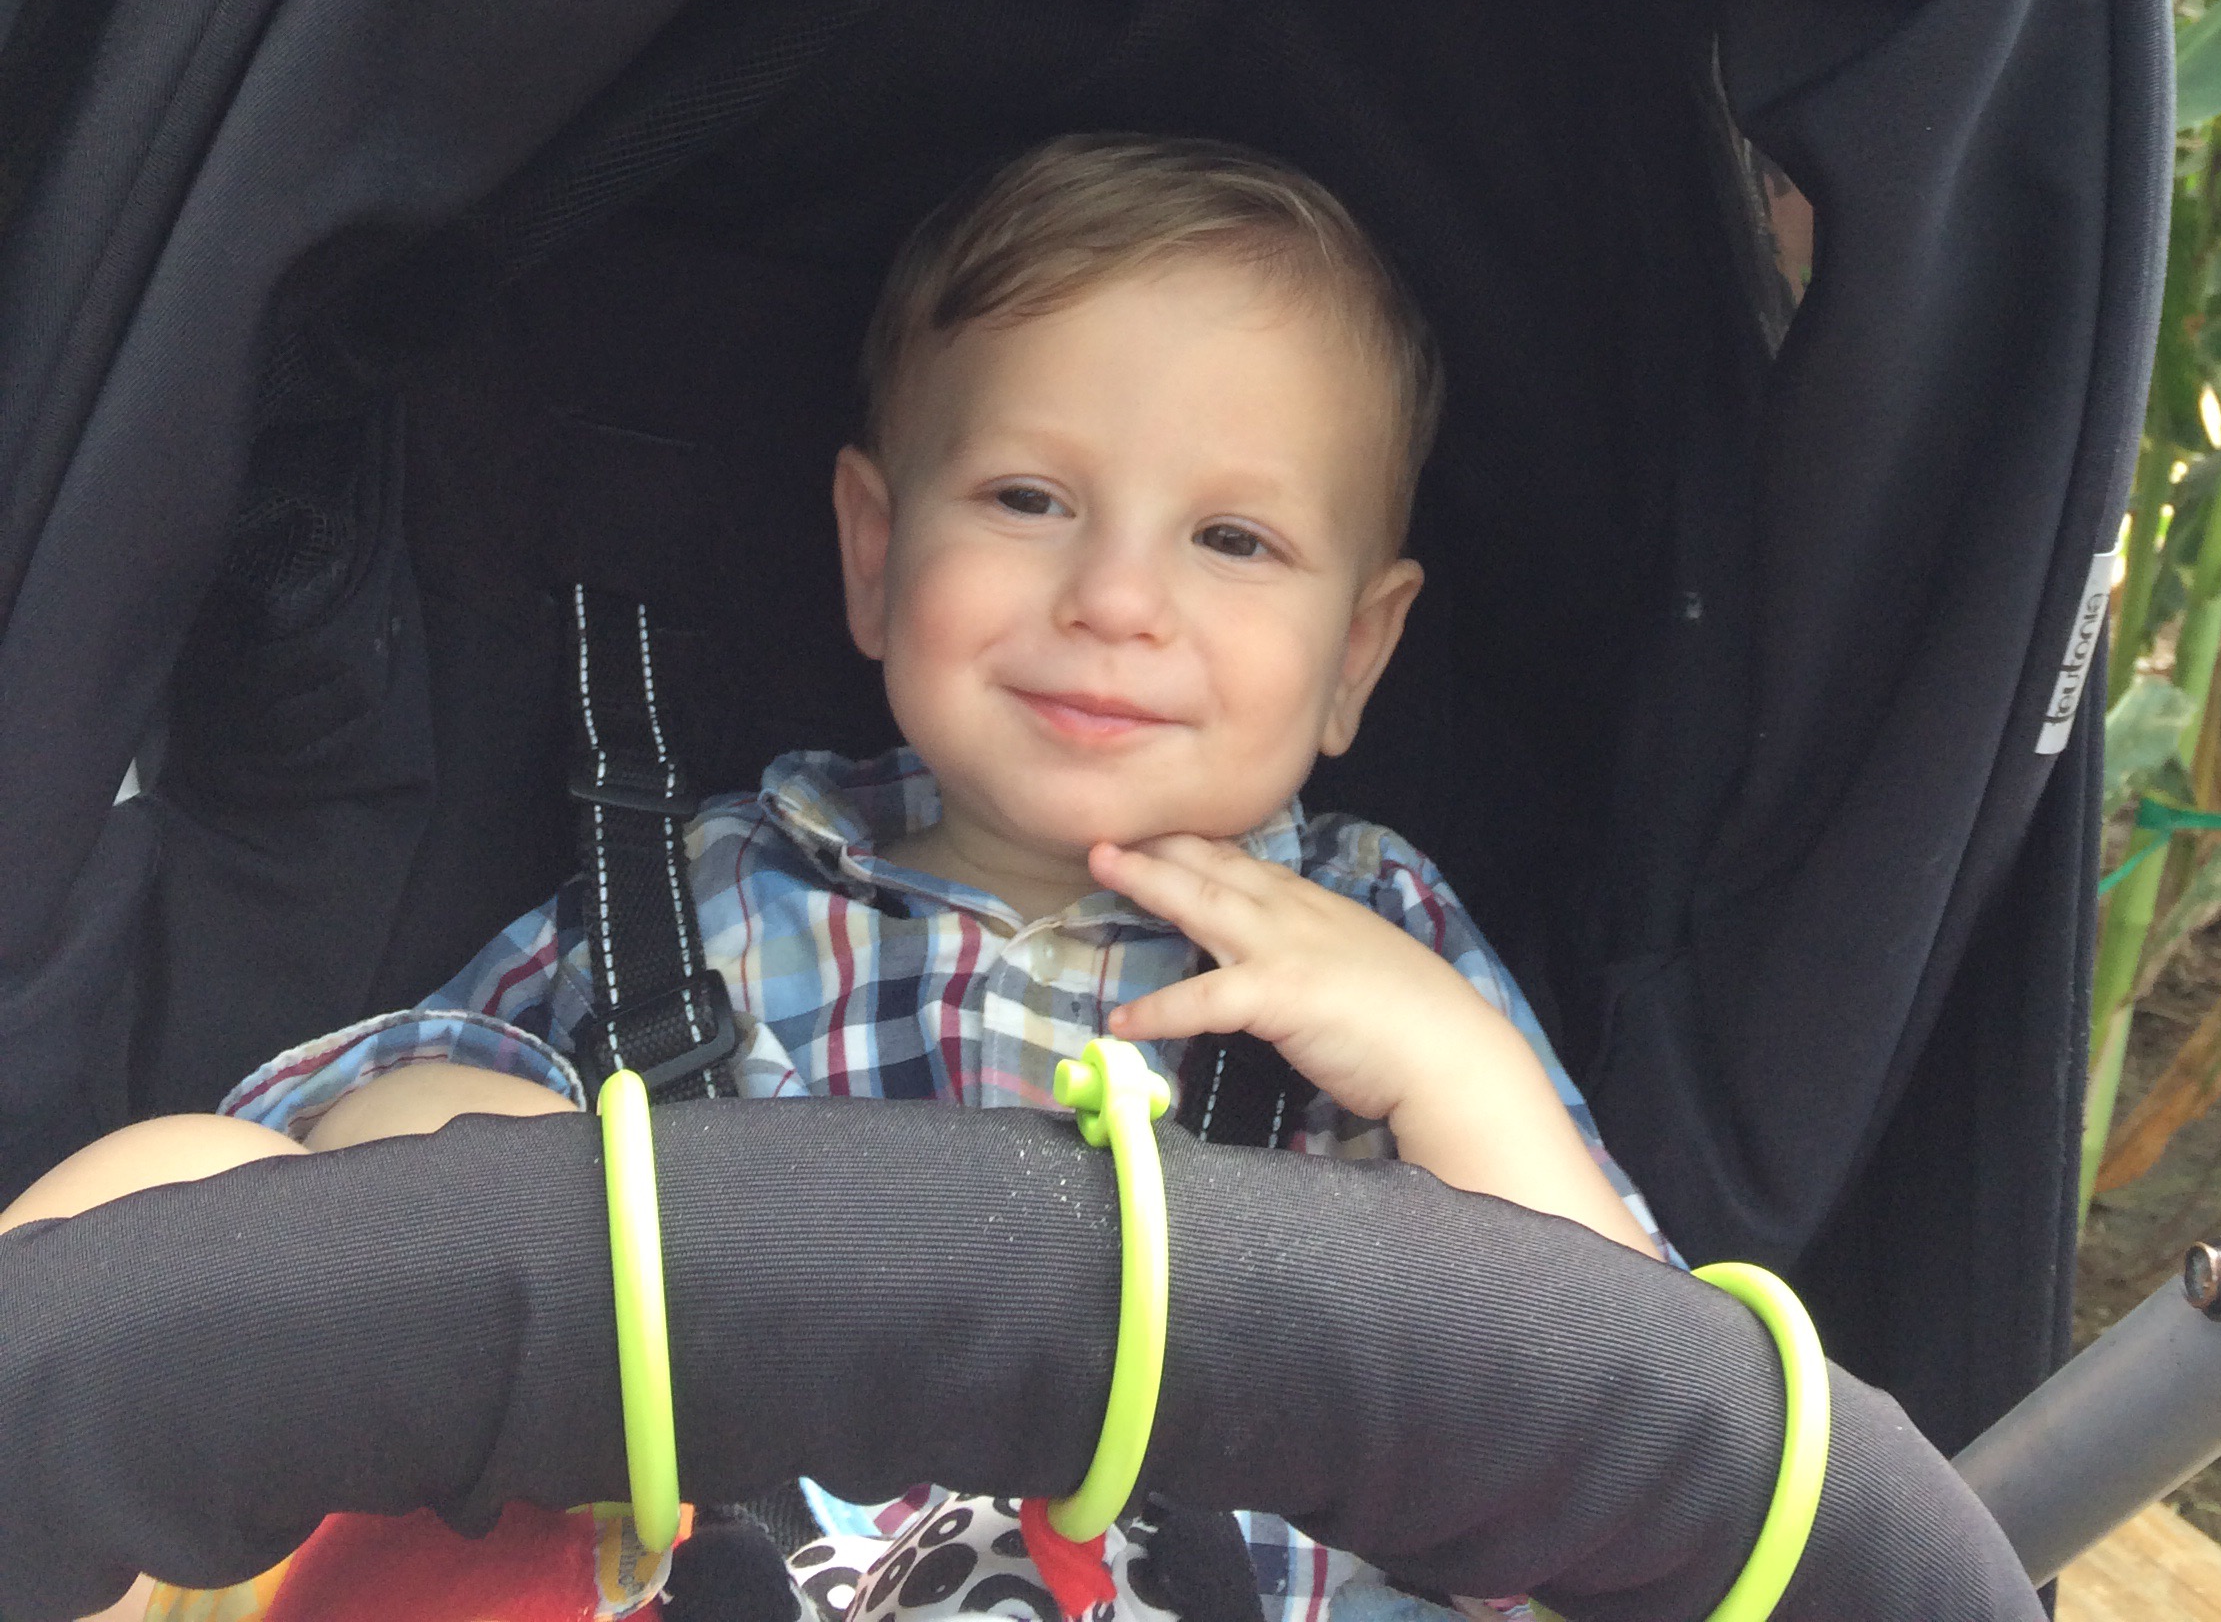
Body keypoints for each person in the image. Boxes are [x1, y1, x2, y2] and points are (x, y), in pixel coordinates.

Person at [6, 136, 1662, 1621]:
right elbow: (365, 1111)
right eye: (1029, 499)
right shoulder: (711, 891)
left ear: (1358, 651)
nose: (1115, 597)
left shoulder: (1376, 947)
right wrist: (475, 1153)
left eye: (1232, 539)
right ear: (876, 551)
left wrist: (1454, 1069)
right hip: (712, 1568)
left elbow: (1627, 1429)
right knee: (180, 1175)